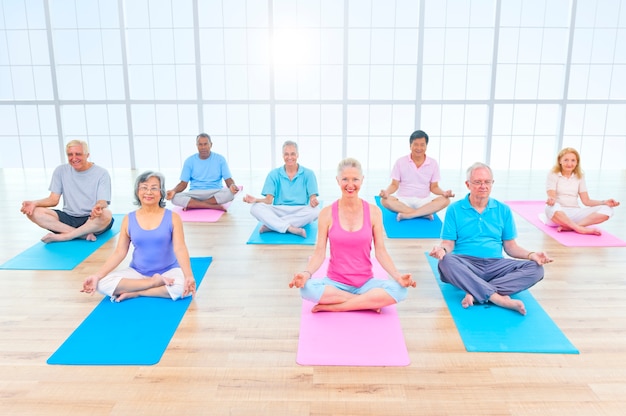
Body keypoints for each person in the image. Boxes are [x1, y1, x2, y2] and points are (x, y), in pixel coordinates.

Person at [289, 158, 416, 312]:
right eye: (345, 179)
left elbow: (381, 251)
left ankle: (337, 307)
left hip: (366, 284)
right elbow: (320, 252)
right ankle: (366, 303)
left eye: (355, 179)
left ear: (362, 180)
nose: (350, 185)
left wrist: (398, 277)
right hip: (335, 283)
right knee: (306, 288)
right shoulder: (327, 213)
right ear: (338, 181)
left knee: (401, 290)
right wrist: (306, 273)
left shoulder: (374, 212)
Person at [429, 162, 552, 315]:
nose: (483, 186)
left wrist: (531, 255)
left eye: (487, 182)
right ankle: (498, 298)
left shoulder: (503, 210)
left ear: (492, 183)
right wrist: (442, 250)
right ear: (468, 184)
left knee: (536, 269)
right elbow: (448, 243)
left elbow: (510, 247)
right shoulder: (454, 209)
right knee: (446, 262)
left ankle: (475, 292)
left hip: (496, 266)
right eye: (477, 182)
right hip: (466, 265)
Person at [81, 171, 196, 302]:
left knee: (183, 288)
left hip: (168, 271)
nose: (148, 192)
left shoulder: (173, 217)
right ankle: (153, 283)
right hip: (137, 272)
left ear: (161, 193)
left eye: (154, 188)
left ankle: (138, 292)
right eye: (144, 188)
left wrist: (188, 276)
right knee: (101, 284)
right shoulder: (128, 219)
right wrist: (97, 276)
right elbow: (119, 252)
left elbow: (180, 248)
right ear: (137, 192)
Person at [20, 139, 114, 243]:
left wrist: (98, 207)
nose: (74, 158)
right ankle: (81, 235)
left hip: (91, 219)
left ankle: (66, 236)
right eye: (70, 155)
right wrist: (34, 203)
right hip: (69, 218)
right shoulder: (60, 171)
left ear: (87, 155)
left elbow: (102, 201)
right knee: (33, 212)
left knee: (106, 214)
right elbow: (53, 200)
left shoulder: (101, 173)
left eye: (78, 154)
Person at [243, 140, 320, 238]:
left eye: (292, 154)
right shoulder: (273, 174)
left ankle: (272, 226)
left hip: (300, 209)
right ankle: (290, 228)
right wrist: (255, 200)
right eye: (286, 154)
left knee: (316, 211)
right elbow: (268, 200)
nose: (289, 157)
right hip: (279, 210)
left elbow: (312, 197)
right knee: (255, 208)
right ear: (283, 156)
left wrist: (313, 200)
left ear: (297, 155)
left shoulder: (309, 174)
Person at [379, 130, 454, 221]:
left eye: (422, 145)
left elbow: (434, 187)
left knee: (445, 200)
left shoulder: (433, 163)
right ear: (410, 146)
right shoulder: (400, 161)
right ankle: (422, 214)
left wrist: (444, 193)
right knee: (384, 201)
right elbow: (394, 184)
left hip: (424, 201)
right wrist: (387, 192)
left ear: (426, 146)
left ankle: (409, 214)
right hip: (403, 200)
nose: (419, 148)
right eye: (416, 144)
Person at [545, 147, 619, 235]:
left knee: (608, 210)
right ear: (560, 161)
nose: (569, 163)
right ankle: (580, 229)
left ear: (577, 163)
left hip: (575, 212)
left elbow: (586, 201)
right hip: (558, 214)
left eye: (573, 160)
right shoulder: (553, 174)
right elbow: (552, 195)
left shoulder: (580, 176)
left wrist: (604, 202)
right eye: (566, 160)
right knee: (551, 207)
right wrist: (551, 200)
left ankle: (573, 227)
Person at [166, 133, 239, 211]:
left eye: (205, 144)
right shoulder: (189, 161)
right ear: (197, 145)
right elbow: (183, 184)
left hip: (214, 192)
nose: (203, 147)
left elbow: (228, 180)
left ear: (211, 145)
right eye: (200, 144)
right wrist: (173, 191)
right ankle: (212, 206)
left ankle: (195, 205)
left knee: (230, 194)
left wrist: (232, 186)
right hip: (195, 193)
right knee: (175, 198)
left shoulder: (220, 159)